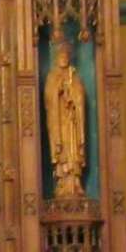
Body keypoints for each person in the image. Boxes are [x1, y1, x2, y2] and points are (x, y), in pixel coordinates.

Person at [44, 37, 86, 197]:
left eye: (66, 56)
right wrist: (58, 91)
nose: (64, 59)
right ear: (56, 58)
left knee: (73, 151)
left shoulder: (74, 77)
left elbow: (80, 97)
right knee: (61, 150)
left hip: (72, 121)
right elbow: (49, 97)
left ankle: (75, 182)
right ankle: (62, 183)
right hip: (59, 122)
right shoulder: (52, 77)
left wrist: (74, 99)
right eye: (61, 56)